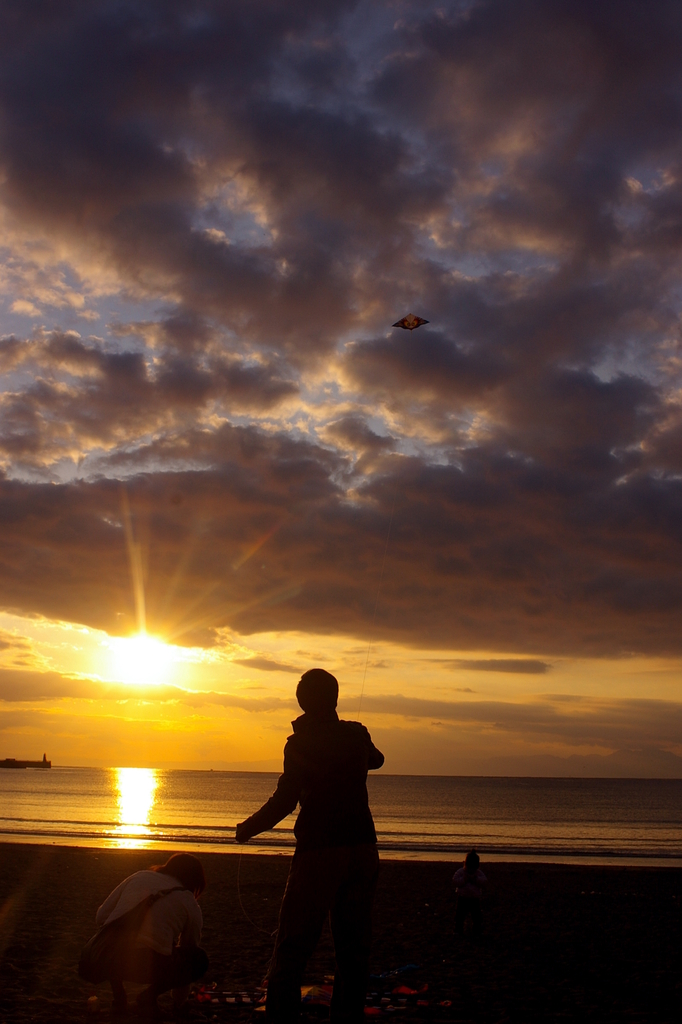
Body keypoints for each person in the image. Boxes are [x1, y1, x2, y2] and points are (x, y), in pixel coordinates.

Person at [236, 668, 385, 1024]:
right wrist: (354, 736)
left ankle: (281, 1016)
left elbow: (285, 799)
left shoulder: (300, 743)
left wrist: (248, 829)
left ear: (302, 701)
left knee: (293, 943)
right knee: (353, 947)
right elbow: (377, 760)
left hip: (320, 850)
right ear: (334, 699)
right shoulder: (356, 734)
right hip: (363, 848)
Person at [93, 852, 209, 1017]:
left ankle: (119, 999)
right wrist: (179, 1002)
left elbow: (101, 917)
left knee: (115, 938)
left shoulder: (138, 877)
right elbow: (189, 948)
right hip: (149, 967)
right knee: (198, 959)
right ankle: (149, 996)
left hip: (108, 960)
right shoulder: (189, 901)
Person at [452, 849, 487, 936]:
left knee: (477, 917)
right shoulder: (461, 872)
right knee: (459, 916)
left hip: (475, 898)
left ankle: (477, 930)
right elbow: (455, 881)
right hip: (462, 897)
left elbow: (484, 882)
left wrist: (475, 880)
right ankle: (458, 930)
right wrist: (464, 879)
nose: (471, 870)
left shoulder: (478, 873)